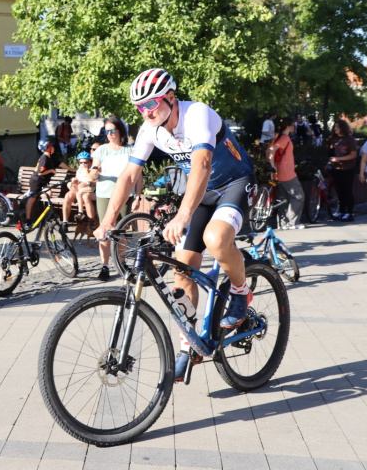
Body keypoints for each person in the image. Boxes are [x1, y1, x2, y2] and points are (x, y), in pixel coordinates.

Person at [95, 68, 256, 383]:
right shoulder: (150, 129)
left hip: (236, 182)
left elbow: (202, 164)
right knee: (182, 269)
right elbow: (128, 175)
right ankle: (189, 347)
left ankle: (241, 291)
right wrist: (107, 220)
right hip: (204, 193)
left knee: (216, 238)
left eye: (152, 104)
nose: (147, 112)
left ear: (169, 96)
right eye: (141, 108)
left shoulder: (196, 114)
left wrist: (182, 215)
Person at [91, 117, 139, 282]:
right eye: (107, 131)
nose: (110, 134)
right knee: (105, 230)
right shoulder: (101, 150)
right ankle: (104, 266)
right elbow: (92, 173)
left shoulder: (130, 150)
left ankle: (122, 263)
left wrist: (138, 195)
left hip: (126, 194)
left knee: (122, 231)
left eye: (113, 130)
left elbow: (138, 176)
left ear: (120, 131)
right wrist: (94, 171)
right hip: (104, 194)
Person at [266, 117, 304, 230]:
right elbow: (272, 149)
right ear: (288, 126)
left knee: (284, 198)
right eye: (292, 125)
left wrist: (272, 164)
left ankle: (283, 224)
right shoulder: (285, 138)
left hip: (279, 172)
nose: (294, 127)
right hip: (287, 173)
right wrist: (272, 164)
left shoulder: (277, 137)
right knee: (299, 196)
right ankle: (292, 222)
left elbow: (268, 150)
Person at [25, 137, 65, 221]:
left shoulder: (50, 157)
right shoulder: (44, 158)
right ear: (48, 147)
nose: (53, 147)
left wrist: (72, 169)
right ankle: (28, 218)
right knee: (32, 198)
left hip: (43, 182)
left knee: (49, 193)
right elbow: (40, 172)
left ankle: (36, 194)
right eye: (52, 146)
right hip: (37, 181)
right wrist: (51, 170)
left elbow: (61, 164)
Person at [326, 119, 358, 221]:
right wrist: (330, 162)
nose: (335, 129)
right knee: (339, 191)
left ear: (342, 128)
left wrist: (339, 159)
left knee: (347, 190)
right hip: (336, 168)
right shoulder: (332, 139)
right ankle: (341, 211)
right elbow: (331, 154)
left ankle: (349, 212)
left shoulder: (349, 139)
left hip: (347, 168)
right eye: (335, 127)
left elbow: (353, 154)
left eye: (337, 127)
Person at [62, 150, 97, 226]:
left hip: (89, 190)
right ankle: (65, 222)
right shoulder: (79, 171)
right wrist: (75, 181)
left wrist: (87, 181)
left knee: (85, 196)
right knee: (68, 195)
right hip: (79, 189)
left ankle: (91, 221)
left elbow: (95, 181)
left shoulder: (92, 170)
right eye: (81, 162)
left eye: (85, 162)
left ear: (89, 162)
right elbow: (78, 179)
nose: (83, 164)